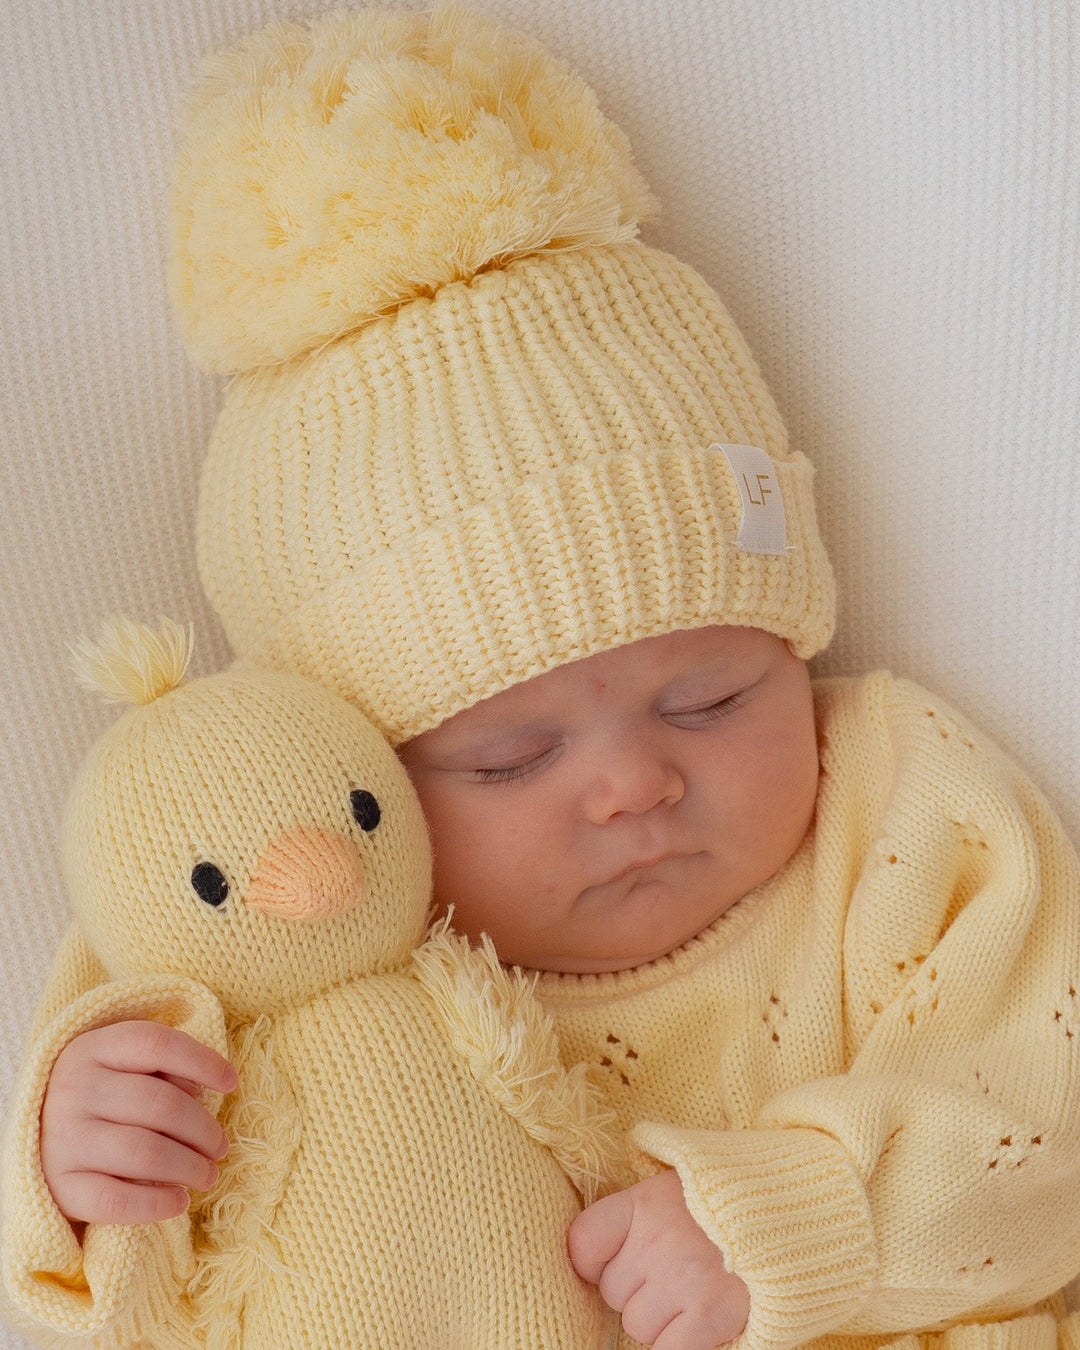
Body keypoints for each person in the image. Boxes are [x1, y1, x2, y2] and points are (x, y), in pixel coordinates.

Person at [4, 7, 1080, 1350]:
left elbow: (1044, 1111)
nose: (634, 781)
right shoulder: (301, 925)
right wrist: (79, 1165)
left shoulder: (902, 810)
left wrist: (789, 1218)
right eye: (509, 756)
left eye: (711, 696)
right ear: (358, 778)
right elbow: (159, 1236)